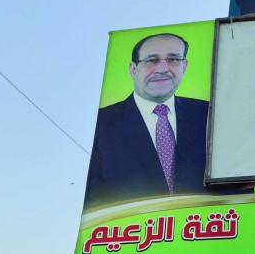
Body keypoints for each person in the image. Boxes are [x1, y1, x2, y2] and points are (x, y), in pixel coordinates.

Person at [84, 33, 238, 210]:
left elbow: (237, 184)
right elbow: (91, 199)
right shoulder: (101, 124)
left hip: (208, 229)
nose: (163, 69)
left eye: (173, 59)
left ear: (184, 66)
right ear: (133, 69)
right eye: (152, 60)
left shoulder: (213, 116)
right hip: (133, 234)